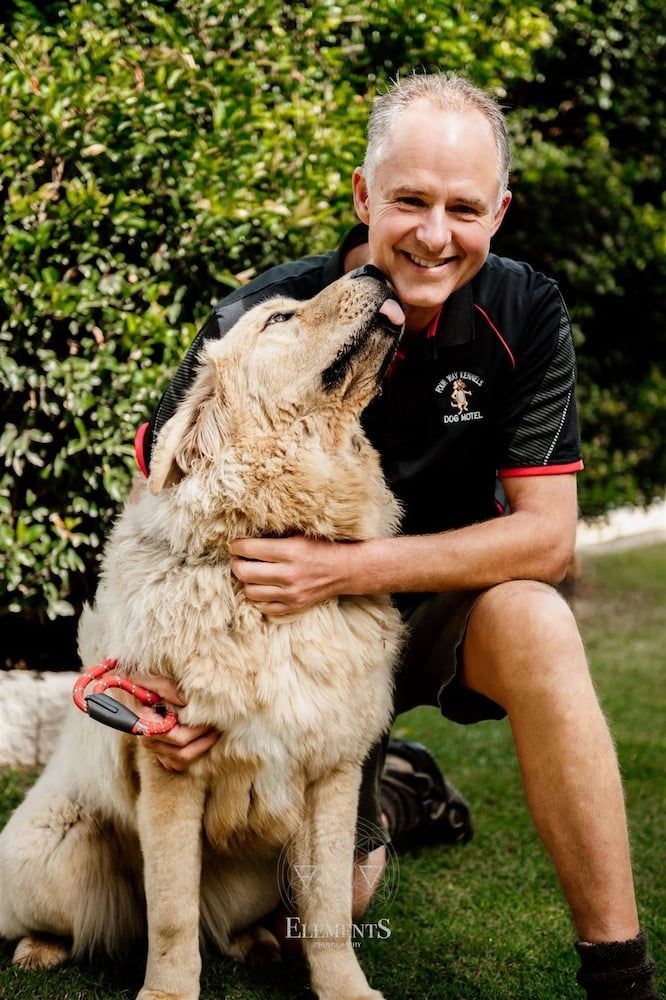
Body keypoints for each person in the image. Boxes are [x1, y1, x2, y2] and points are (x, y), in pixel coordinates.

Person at [130, 75, 657, 998]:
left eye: (464, 208)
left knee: (538, 616)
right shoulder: (265, 320)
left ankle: (619, 974)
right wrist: (142, 696)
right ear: (365, 195)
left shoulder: (525, 312)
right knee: (304, 924)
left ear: (499, 212)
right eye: (409, 200)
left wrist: (346, 569)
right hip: (296, 653)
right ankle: (401, 785)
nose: (433, 233)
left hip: (428, 609)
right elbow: (153, 503)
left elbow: (548, 542)